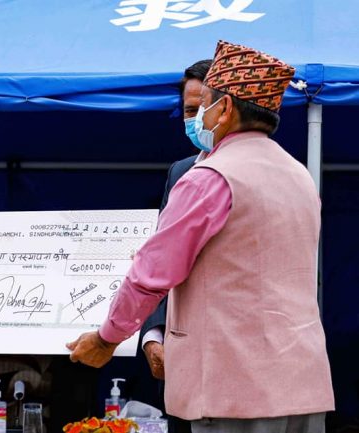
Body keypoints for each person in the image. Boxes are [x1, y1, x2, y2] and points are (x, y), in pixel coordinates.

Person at [68, 40, 335, 433]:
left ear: (223, 109)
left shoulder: (209, 177)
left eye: (203, 105)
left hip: (235, 389)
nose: (197, 118)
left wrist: (106, 339)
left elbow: (150, 275)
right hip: (303, 384)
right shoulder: (299, 175)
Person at [140, 59, 211, 433]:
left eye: (203, 109)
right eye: (188, 110)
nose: (195, 119)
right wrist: (153, 335)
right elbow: (161, 263)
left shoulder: (269, 170)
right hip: (179, 363)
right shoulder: (181, 171)